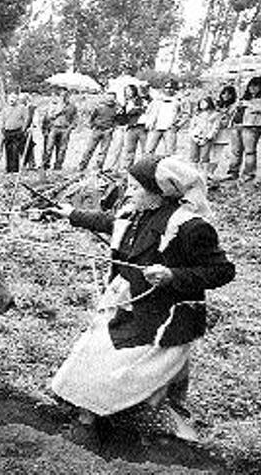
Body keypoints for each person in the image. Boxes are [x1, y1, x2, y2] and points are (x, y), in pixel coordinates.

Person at [46, 155, 235, 442]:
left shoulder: (190, 227)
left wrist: (173, 275)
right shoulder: (136, 215)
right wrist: (71, 214)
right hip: (127, 303)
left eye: (135, 187)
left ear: (157, 193)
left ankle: (91, 421)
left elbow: (221, 271)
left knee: (112, 367)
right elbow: (109, 222)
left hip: (163, 316)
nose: (129, 191)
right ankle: (98, 413)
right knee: (90, 354)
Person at [222, 76, 261, 183]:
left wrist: (249, 104)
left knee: (249, 151)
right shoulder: (244, 98)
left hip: (251, 127)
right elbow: (231, 111)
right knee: (235, 151)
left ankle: (248, 174)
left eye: (256, 86)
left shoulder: (256, 100)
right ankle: (232, 173)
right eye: (250, 85)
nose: (252, 88)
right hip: (237, 126)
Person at [144, 80, 187, 156]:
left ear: (175, 89)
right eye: (166, 87)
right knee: (149, 150)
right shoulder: (157, 99)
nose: (168, 89)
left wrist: (178, 125)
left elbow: (186, 114)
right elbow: (149, 112)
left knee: (170, 152)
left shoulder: (180, 100)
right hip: (156, 127)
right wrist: (149, 123)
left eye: (171, 87)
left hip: (169, 129)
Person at [79, 91, 119, 171]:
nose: (110, 99)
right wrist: (92, 125)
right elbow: (92, 117)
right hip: (97, 130)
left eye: (112, 97)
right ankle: (82, 166)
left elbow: (117, 120)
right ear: (106, 97)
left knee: (103, 151)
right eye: (109, 96)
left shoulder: (116, 108)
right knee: (89, 149)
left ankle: (98, 167)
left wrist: (113, 128)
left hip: (108, 131)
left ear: (115, 98)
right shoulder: (99, 106)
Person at [187, 97, 222, 181]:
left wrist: (208, 137)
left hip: (206, 137)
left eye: (205, 102)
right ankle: (194, 175)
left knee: (204, 157)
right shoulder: (196, 114)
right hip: (195, 136)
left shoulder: (215, 114)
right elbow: (191, 127)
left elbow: (215, 128)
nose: (203, 105)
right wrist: (193, 136)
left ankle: (204, 176)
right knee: (193, 157)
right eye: (201, 103)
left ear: (209, 103)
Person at [42, 89, 78, 171]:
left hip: (65, 129)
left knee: (62, 149)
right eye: (62, 95)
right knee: (49, 147)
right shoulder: (54, 105)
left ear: (68, 96)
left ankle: (58, 166)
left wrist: (70, 128)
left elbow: (75, 119)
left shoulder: (72, 107)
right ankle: (45, 165)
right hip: (54, 128)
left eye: (66, 95)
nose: (64, 97)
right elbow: (47, 117)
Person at [118, 84, 148, 170]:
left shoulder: (141, 100)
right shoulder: (126, 103)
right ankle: (128, 169)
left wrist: (133, 110)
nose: (128, 93)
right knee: (129, 150)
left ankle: (145, 169)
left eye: (130, 91)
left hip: (142, 127)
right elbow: (124, 116)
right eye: (126, 91)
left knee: (145, 150)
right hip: (131, 127)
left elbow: (144, 109)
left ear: (134, 91)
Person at [1, 93, 29, 173]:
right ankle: (9, 169)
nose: (11, 100)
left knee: (15, 150)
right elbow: (3, 121)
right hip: (7, 132)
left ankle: (15, 169)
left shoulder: (21, 108)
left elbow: (26, 119)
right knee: (8, 150)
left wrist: (23, 129)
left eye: (13, 98)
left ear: (16, 100)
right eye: (10, 99)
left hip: (17, 132)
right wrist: (2, 130)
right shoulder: (5, 109)